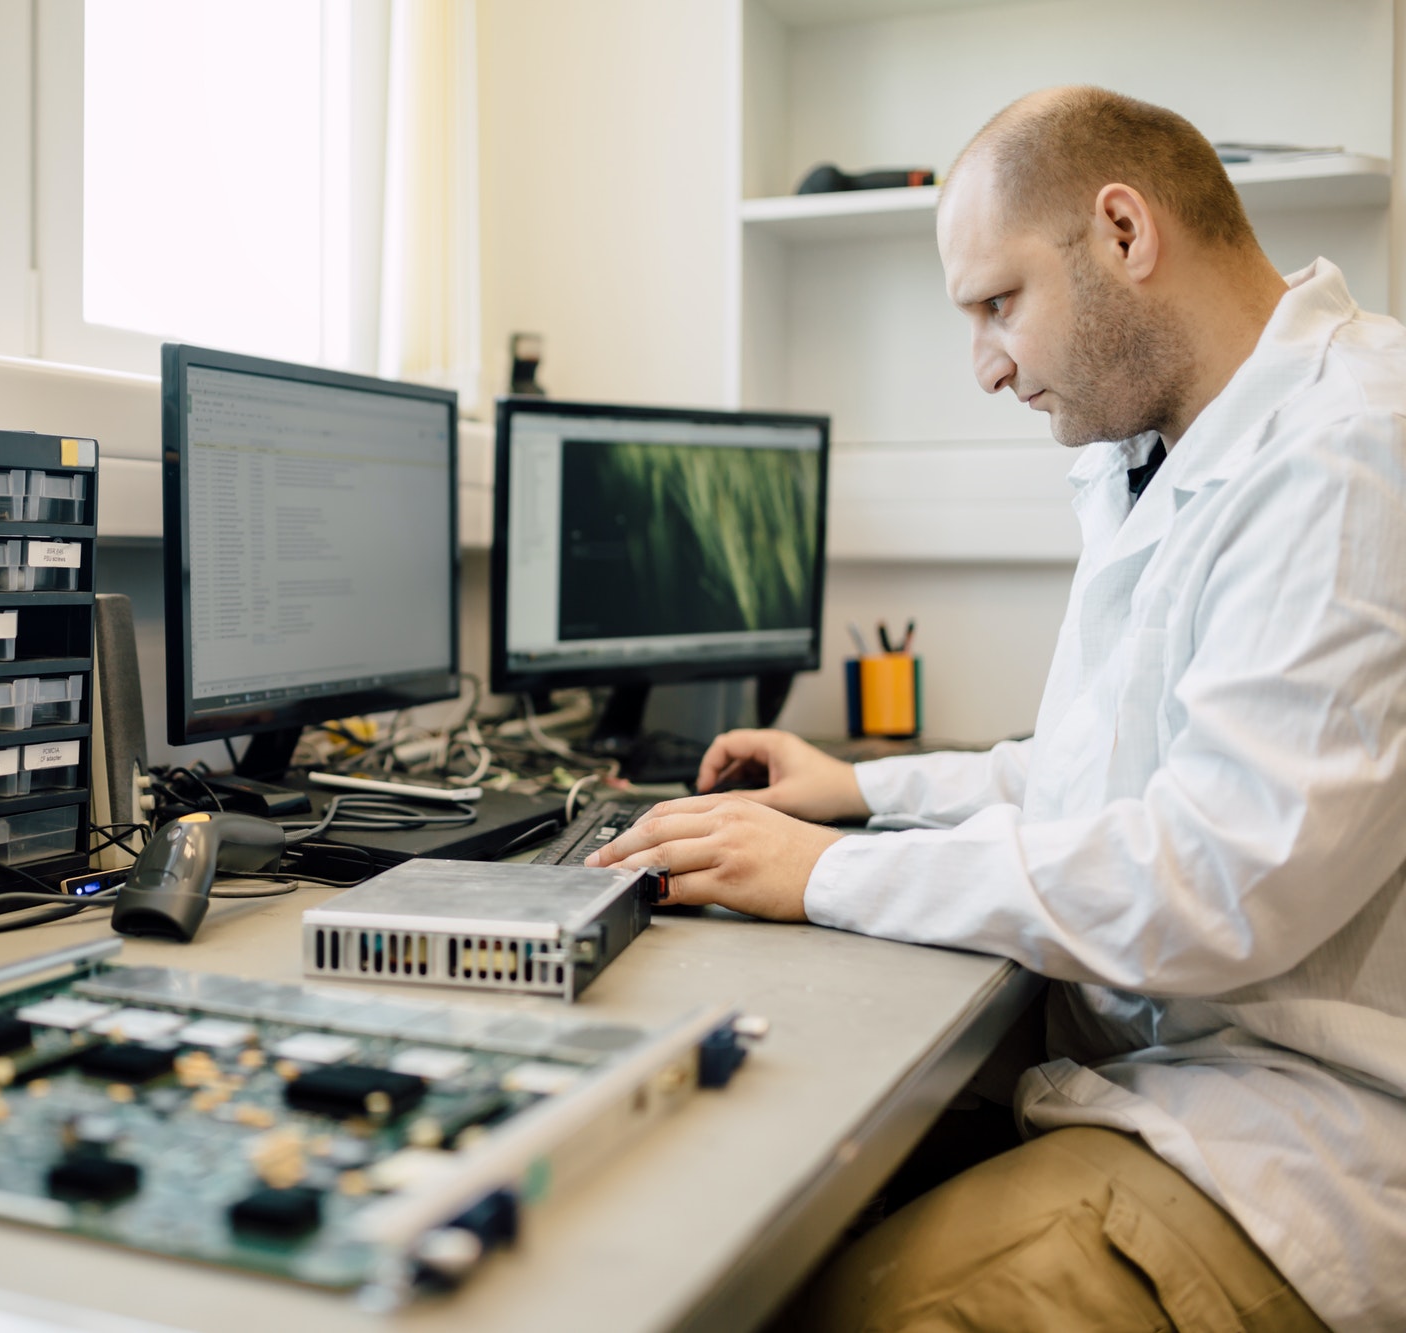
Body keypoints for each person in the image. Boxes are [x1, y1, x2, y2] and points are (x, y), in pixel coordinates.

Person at [590, 86, 1406, 1332]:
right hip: (1163, 1068)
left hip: (1299, 1134)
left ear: (1123, 233)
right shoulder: (1172, 450)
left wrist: (820, 873)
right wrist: (860, 791)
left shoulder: (1347, 455)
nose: (983, 364)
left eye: (995, 303)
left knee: (826, 1298)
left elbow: (1209, 879)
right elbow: (1103, 775)